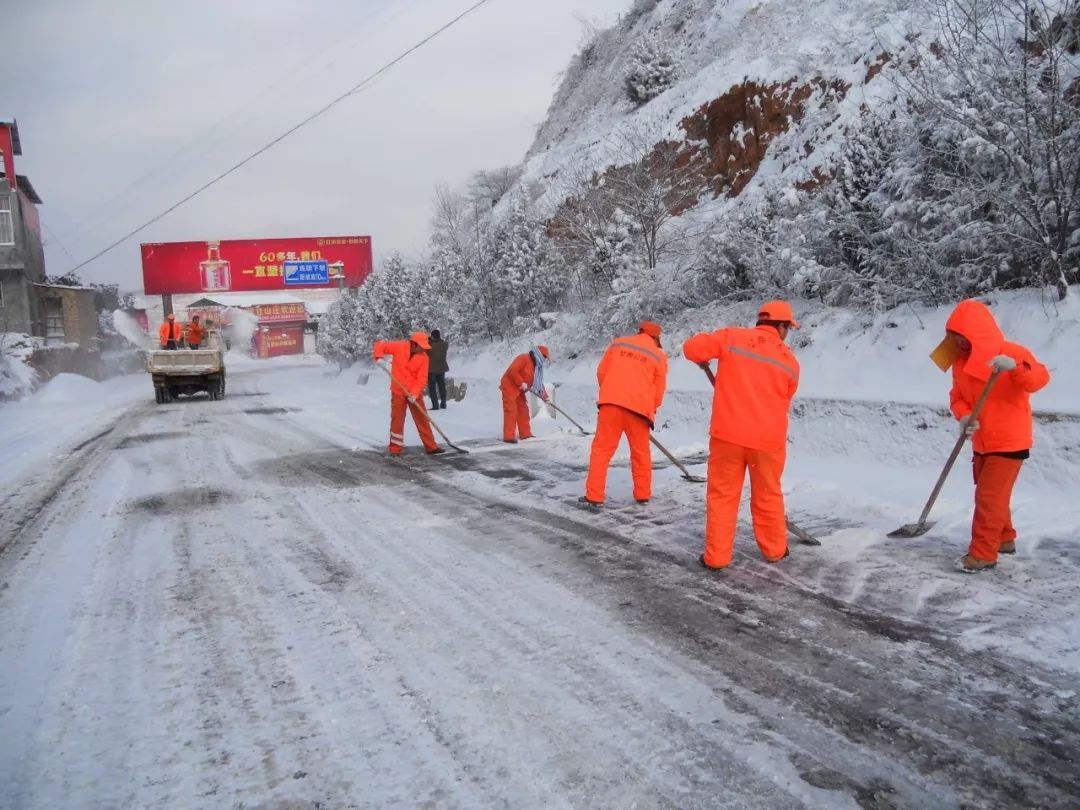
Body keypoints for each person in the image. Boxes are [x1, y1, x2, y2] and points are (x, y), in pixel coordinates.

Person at [683, 300, 801, 570]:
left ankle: (717, 558)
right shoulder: (789, 361)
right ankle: (774, 551)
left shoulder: (732, 338)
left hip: (729, 436)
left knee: (723, 496)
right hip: (767, 443)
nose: (787, 333)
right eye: (788, 328)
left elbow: (691, 348)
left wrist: (703, 357)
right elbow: (786, 397)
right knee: (768, 495)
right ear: (781, 326)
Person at [938, 299, 1050, 572]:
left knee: (989, 498)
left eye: (964, 337)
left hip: (1009, 439)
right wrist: (964, 416)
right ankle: (1003, 539)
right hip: (982, 440)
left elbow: (1040, 379)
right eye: (955, 338)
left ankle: (982, 554)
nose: (960, 343)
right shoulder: (958, 362)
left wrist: (1016, 367)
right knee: (993, 495)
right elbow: (957, 397)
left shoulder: (1010, 352)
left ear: (977, 332)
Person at [581, 321, 668, 506]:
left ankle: (594, 496)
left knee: (601, 451)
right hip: (639, 411)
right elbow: (659, 390)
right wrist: (650, 407)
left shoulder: (618, 343)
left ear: (640, 331)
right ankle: (643, 494)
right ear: (656, 337)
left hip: (610, 405)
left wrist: (611, 392)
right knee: (641, 454)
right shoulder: (659, 356)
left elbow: (601, 372)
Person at [373, 332, 443, 456]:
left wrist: (415, 393)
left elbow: (421, 379)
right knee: (397, 421)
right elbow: (380, 345)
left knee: (422, 419)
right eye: (421, 346)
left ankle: (431, 447)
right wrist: (379, 358)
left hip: (414, 393)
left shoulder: (424, 358)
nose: (423, 348)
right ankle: (395, 449)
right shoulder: (399, 347)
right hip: (398, 391)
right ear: (414, 344)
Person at [499, 345, 550, 443]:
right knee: (511, 410)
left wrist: (545, 398)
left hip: (519, 389)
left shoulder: (537, 368)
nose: (544, 360)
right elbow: (512, 371)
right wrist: (521, 382)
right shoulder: (523, 358)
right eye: (544, 357)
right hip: (509, 386)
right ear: (539, 354)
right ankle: (508, 437)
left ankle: (525, 435)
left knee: (523, 411)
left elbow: (538, 384)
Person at [427, 329, 450, 409]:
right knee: (442, 387)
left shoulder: (429, 345)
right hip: (442, 369)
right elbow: (445, 343)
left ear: (432, 336)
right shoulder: (444, 345)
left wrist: (429, 341)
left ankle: (435, 405)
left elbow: (426, 351)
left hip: (431, 370)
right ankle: (443, 404)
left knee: (432, 388)